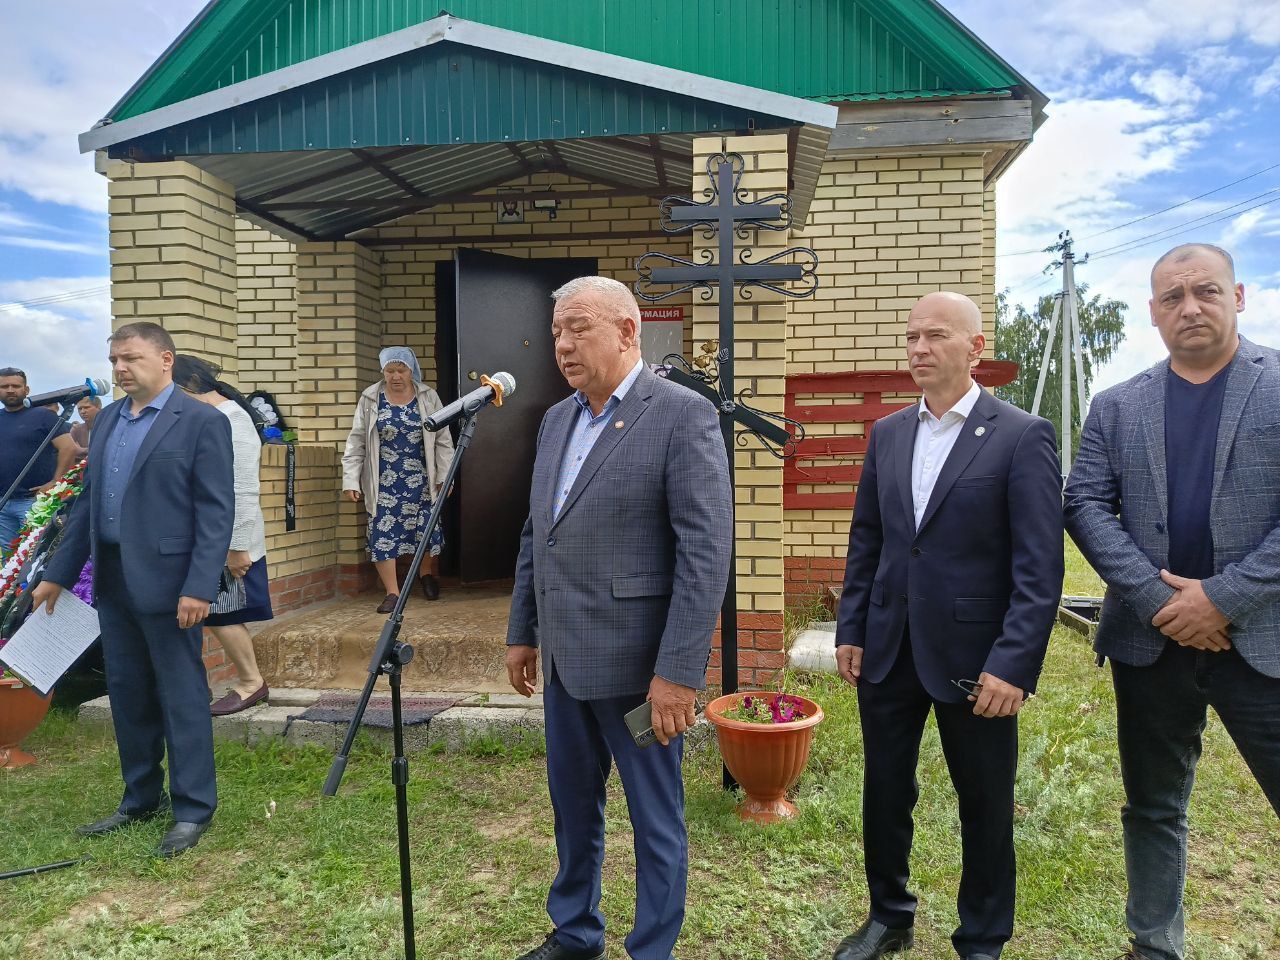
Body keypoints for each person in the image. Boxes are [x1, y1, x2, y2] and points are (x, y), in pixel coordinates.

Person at [504, 276, 733, 960]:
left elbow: (705, 551)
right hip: (567, 662)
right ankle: (576, 932)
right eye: (556, 333)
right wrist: (522, 629)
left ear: (629, 331)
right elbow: (535, 532)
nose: (564, 345)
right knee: (574, 808)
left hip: (641, 670)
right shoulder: (555, 419)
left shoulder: (681, 414)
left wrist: (678, 673)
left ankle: (652, 947)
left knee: (655, 816)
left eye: (579, 328)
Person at [1063, 243, 1280, 960]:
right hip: (1151, 643)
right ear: (1153, 313)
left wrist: (1221, 598)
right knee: (1154, 806)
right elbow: (1086, 504)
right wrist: (1165, 601)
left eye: (1206, 291)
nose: (1190, 306)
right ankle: (1153, 946)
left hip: (1262, 638)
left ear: (1239, 296)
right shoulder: (1118, 404)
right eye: (1172, 296)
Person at [832, 291, 1064, 960]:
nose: (919, 349)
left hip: (977, 657)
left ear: (975, 348)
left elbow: (1039, 566)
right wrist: (852, 627)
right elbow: (868, 538)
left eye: (935, 336)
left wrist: (1014, 663)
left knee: (985, 804)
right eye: (911, 337)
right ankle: (889, 916)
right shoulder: (889, 433)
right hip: (890, 648)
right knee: (885, 790)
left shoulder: (1022, 435)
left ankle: (983, 938)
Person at [31, 322, 234, 860]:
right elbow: (86, 505)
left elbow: (216, 514)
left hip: (172, 588)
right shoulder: (108, 421)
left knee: (181, 696)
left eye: (132, 358)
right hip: (114, 581)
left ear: (166, 360)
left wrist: (199, 586)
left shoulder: (201, 422)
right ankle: (139, 798)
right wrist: (57, 572)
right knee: (127, 693)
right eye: (115, 359)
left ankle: (192, 808)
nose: (121, 369)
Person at [173, 355, 273, 716]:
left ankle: (251, 683)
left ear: (190, 385)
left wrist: (237, 547)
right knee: (214, 612)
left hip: (228, 538)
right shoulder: (202, 417)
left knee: (222, 612)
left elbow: (244, 488)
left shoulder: (232, 419)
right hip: (201, 535)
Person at [342, 347, 454, 613]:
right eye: (389, 371)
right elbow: (356, 440)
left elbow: (443, 440)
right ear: (383, 371)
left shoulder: (428, 397)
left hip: (422, 478)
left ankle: (425, 574)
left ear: (411, 370)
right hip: (384, 481)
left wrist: (444, 476)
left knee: (425, 529)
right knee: (383, 533)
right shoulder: (370, 398)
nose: (395, 376)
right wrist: (351, 480)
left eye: (400, 370)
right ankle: (393, 592)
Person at [0, 367, 78, 551]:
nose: (10, 390)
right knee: (6, 556)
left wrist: (55, 481)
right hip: (3, 502)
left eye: (15, 386)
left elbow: (68, 448)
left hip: (34, 501)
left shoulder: (43, 416)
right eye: (4, 386)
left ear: (26, 390)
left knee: (34, 554)